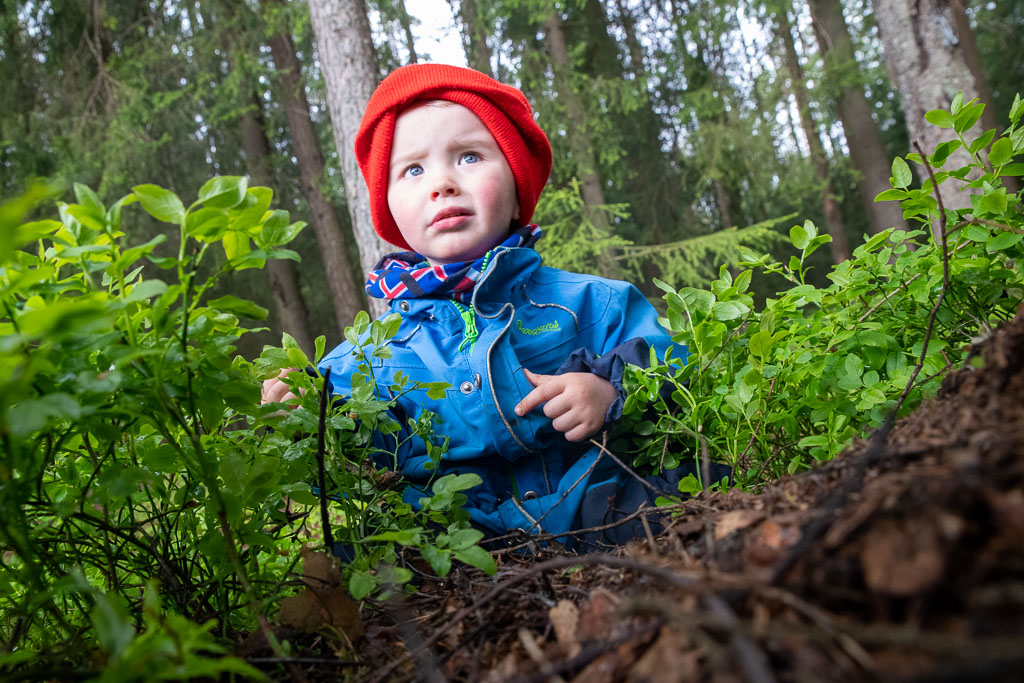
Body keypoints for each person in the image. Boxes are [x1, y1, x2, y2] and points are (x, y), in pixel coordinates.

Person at [262, 64, 723, 552]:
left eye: (469, 156)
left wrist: (608, 390)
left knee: (685, 490)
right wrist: (304, 412)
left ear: (515, 179)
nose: (441, 182)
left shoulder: (592, 302)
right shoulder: (368, 356)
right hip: (455, 546)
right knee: (370, 550)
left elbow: (671, 369)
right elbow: (342, 463)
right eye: (413, 170)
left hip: (596, 510)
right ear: (389, 205)